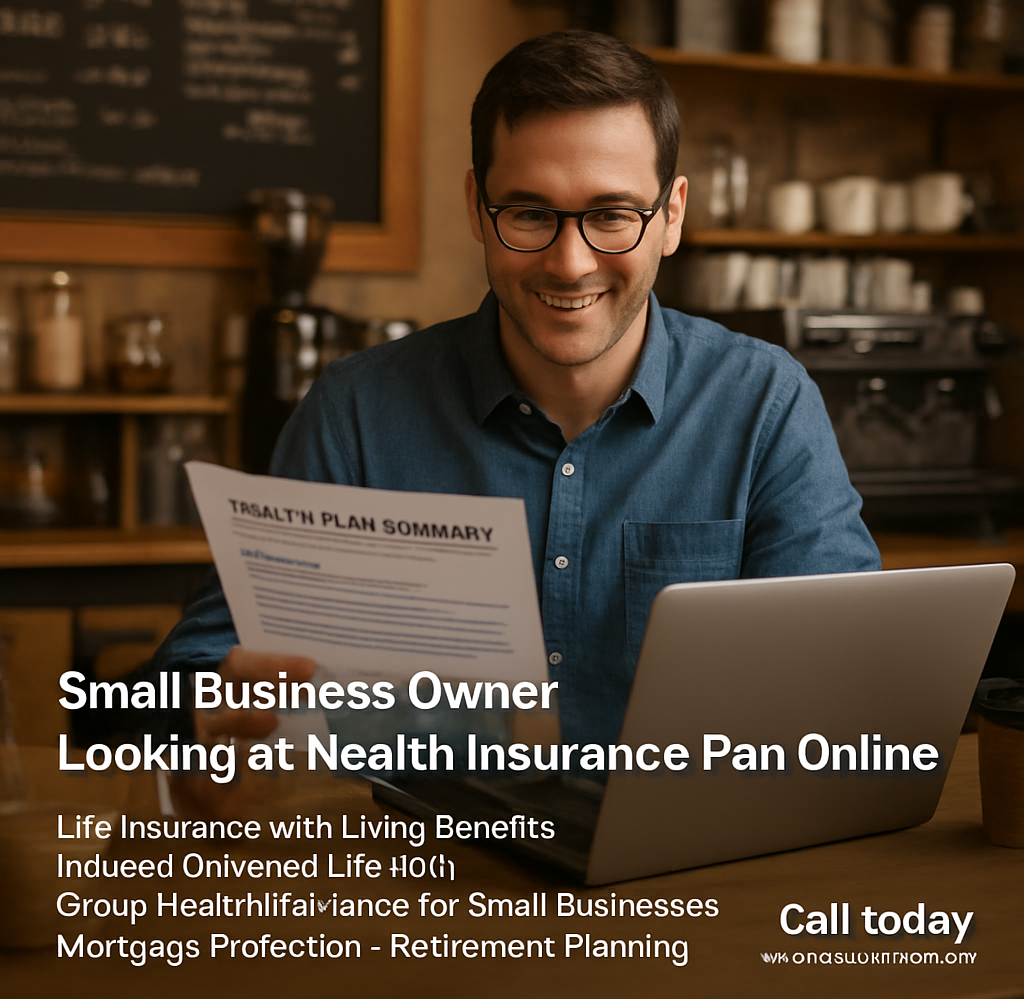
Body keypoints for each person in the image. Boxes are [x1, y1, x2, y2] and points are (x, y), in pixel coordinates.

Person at [154, 30, 879, 751]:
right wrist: (219, 705)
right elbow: (202, 667)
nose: (570, 263)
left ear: (672, 216)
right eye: (530, 214)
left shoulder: (766, 402)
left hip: (698, 859)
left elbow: (847, 678)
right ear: (477, 207)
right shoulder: (354, 414)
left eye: (612, 215)